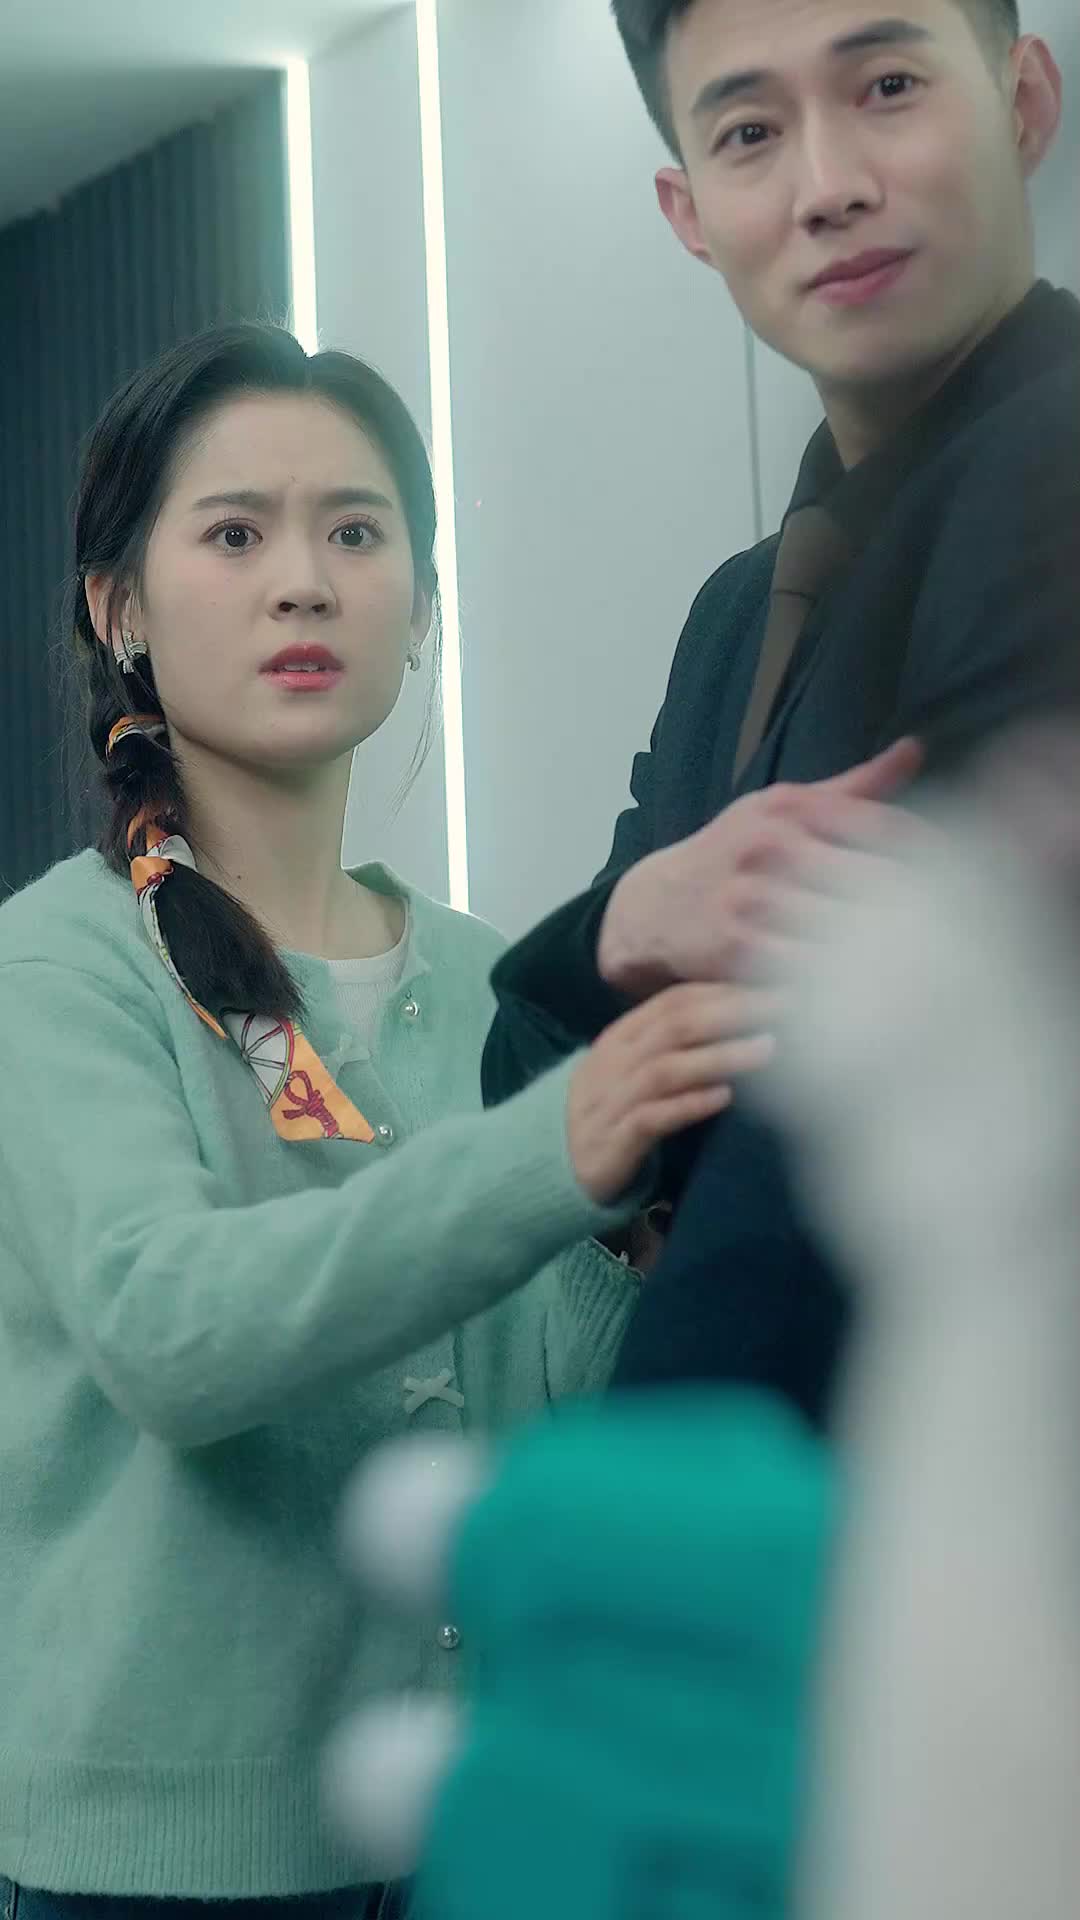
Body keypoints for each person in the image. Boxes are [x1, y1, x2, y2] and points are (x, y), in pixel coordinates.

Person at [0, 323, 777, 1918]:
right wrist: (557, 1146)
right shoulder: (59, 965)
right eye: (236, 535)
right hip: (158, 1874)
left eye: (356, 535)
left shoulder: (495, 978)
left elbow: (540, 1417)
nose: (305, 582)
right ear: (119, 609)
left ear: (420, 608)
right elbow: (170, 1329)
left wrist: (649, 1218)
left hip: (472, 1832)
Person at [483, 0, 1080, 1419]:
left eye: (887, 86)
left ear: (1024, 102)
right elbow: (526, 1080)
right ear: (690, 211)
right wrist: (622, 933)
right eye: (751, 130)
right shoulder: (737, 618)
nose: (828, 186)